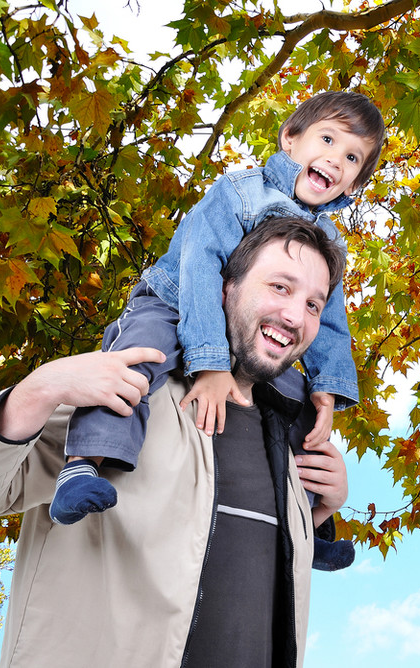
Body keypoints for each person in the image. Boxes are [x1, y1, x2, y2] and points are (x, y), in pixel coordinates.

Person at [0, 217, 352, 667]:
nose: (296, 316)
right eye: (280, 286)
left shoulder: (289, 436)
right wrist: (39, 389)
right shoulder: (130, 394)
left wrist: (317, 512)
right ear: (223, 286)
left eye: (314, 305)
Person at [50, 90, 385, 525]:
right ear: (290, 138)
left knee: (300, 405)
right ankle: (83, 464)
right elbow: (200, 265)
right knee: (137, 359)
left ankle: (309, 519)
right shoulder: (241, 192)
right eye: (326, 140)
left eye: (353, 157)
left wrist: (329, 383)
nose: (336, 159)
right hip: (174, 301)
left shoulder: (329, 240)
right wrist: (210, 365)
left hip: (239, 334)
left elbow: (330, 317)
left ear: (356, 182)